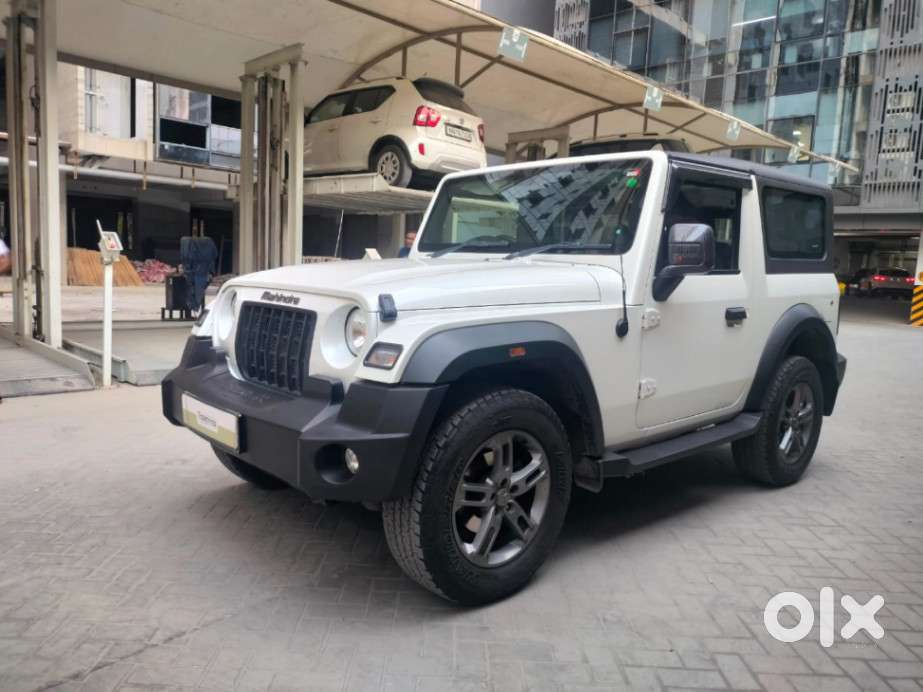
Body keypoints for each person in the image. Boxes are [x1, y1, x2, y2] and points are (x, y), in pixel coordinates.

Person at [179, 227, 217, 315]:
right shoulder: (206, 244)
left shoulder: (190, 245)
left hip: (196, 272)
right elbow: (215, 254)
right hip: (202, 272)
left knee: (193, 290)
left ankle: (194, 306)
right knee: (196, 290)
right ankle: (195, 306)